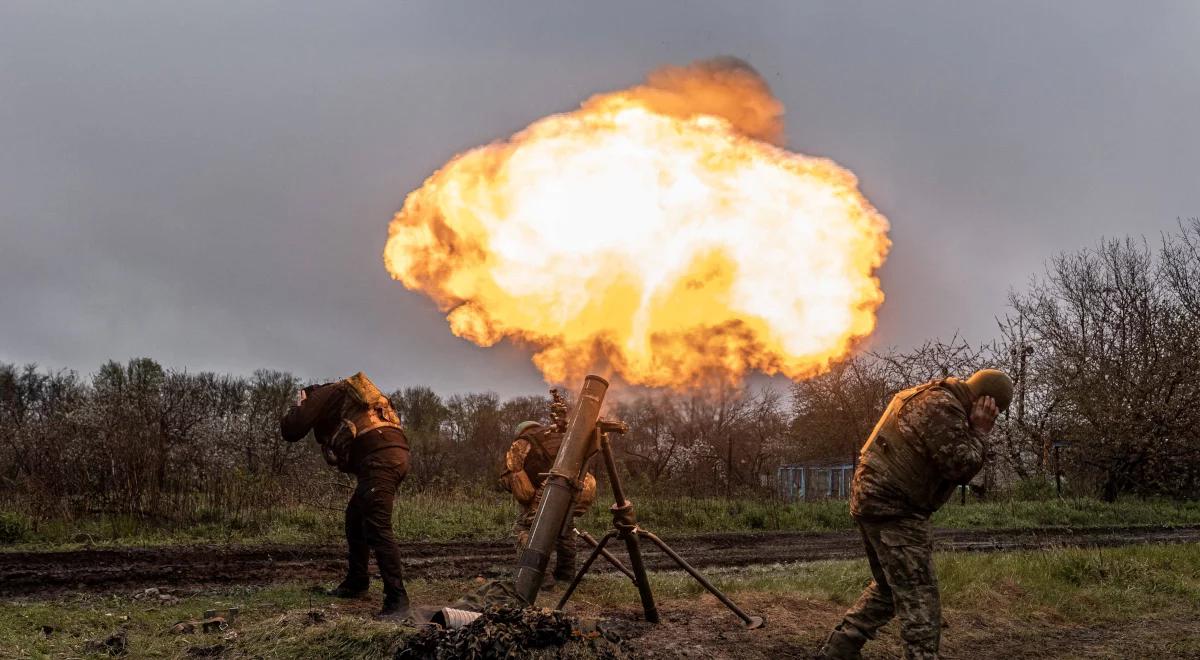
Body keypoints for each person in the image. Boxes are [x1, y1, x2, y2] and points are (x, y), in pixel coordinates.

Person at [819, 369, 1013, 660]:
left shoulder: (931, 395)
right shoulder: (942, 408)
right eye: (993, 412)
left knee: (889, 587)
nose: (992, 417)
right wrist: (980, 432)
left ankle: (839, 650)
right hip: (895, 508)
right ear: (986, 402)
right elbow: (961, 466)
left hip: (876, 501)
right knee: (920, 597)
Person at [280, 372, 412, 619]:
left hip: (379, 458)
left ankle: (398, 601)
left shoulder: (325, 393)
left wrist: (299, 403)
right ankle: (356, 582)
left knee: (377, 527)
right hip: (395, 454)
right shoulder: (355, 395)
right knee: (355, 518)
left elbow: (292, 429)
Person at [501, 420, 597, 588]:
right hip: (574, 489)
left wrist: (516, 489)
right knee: (565, 530)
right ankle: (566, 575)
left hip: (545, 490)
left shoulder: (523, 442)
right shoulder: (561, 438)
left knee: (525, 530)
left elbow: (514, 473)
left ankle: (540, 577)